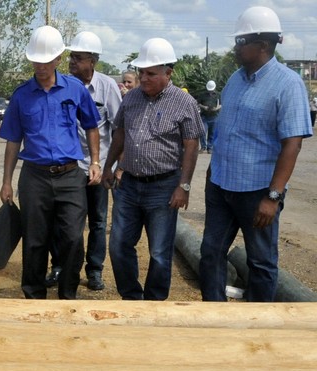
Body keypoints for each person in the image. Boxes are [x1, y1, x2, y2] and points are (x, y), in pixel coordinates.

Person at [199, 6, 312, 302]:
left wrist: (273, 197)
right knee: (211, 252)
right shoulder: (235, 80)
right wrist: (213, 168)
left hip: (257, 192)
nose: (235, 48)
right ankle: (213, 313)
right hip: (221, 185)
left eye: (241, 42)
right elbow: (226, 130)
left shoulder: (288, 85)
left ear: (262, 46)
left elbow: (293, 144)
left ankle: (259, 324)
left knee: (260, 262)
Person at [0, 25, 101, 300]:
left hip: (70, 177)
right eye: (35, 60)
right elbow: (12, 141)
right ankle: (33, 295)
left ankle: (68, 295)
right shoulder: (21, 95)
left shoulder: (75, 89)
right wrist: (6, 182)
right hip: (34, 177)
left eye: (45, 60)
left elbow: (92, 126)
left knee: (72, 238)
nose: (39, 66)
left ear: (57, 59)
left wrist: (95, 162)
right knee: (35, 240)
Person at [102, 38, 203, 301]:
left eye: (150, 73)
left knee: (159, 251)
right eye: (141, 73)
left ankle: (155, 301)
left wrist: (184, 186)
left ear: (168, 73)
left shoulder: (184, 102)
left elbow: (191, 146)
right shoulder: (132, 98)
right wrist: (108, 167)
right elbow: (120, 134)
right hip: (129, 184)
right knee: (119, 245)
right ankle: (132, 298)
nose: (143, 78)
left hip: (163, 187)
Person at [63, 30, 122, 291]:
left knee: (98, 221)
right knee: (66, 220)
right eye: (71, 57)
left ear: (93, 61)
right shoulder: (63, 84)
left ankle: (95, 270)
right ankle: (62, 267)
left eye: (78, 57)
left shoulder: (107, 87)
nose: (72, 62)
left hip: (99, 167)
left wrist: (111, 167)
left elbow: (118, 128)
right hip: (70, 167)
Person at [197, 80, 221, 153]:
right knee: (203, 132)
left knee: (212, 133)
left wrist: (216, 108)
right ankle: (203, 147)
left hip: (214, 116)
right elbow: (198, 103)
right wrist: (204, 107)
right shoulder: (202, 95)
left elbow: (221, 104)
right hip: (204, 116)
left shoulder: (218, 95)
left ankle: (209, 148)